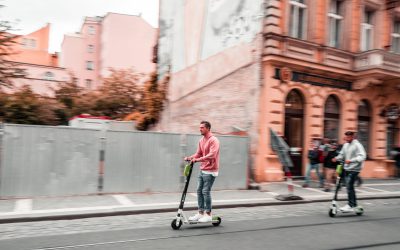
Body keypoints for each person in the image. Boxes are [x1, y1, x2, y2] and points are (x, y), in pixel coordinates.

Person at [184, 121, 220, 222]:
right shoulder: (201, 140)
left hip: (211, 170)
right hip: (203, 169)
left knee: (205, 191)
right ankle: (200, 213)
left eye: (202, 127)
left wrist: (198, 160)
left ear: (208, 128)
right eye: (200, 127)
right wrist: (190, 158)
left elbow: (212, 155)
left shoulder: (214, 140)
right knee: (199, 191)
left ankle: (208, 214)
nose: (200, 129)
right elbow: (198, 153)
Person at [333, 131, 366, 212]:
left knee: (349, 185)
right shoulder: (345, 145)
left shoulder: (357, 145)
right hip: (347, 168)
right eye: (346, 137)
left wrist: (351, 160)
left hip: (355, 169)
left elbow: (362, 156)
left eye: (348, 137)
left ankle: (351, 205)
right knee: (349, 186)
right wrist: (336, 158)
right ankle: (353, 204)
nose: (347, 138)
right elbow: (342, 155)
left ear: (352, 137)